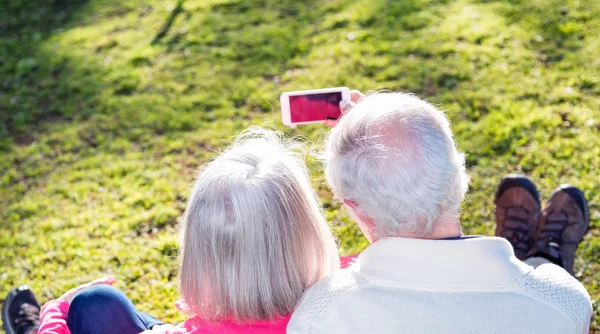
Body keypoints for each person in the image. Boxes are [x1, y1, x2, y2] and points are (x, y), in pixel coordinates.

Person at [288, 91, 593, 333]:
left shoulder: (320, 318)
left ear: (358, 212)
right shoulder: (563, 303)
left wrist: (364, 138)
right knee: (544, 268)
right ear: (458, 176)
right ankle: (546, 256)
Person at [3, 127, 346, 334]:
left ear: (199, 253)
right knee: (100, 304)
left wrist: (53, 313)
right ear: (308, 231)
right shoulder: (354, 295)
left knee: (91, 304)